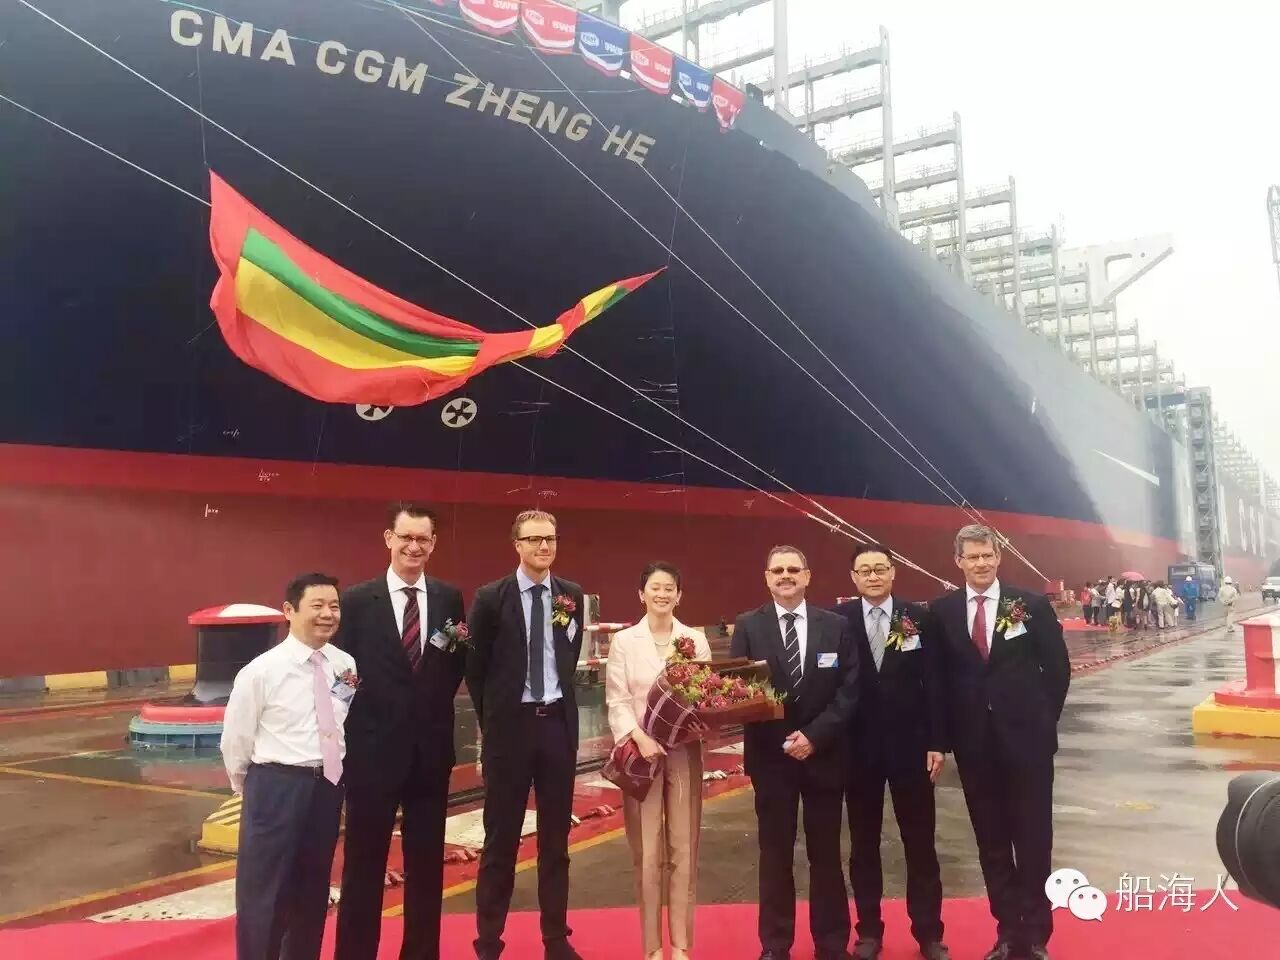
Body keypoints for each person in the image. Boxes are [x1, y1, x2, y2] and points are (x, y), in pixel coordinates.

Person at [930, 526, 1070, 960]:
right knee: (991, 842)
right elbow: (937, 681)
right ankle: (1007, 933)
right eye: (972, 557)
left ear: (998, 556)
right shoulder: (942, 612)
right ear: (958, 561)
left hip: (1028, 744)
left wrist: (1042, 720)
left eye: (987, 555)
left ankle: (1036, 934)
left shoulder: (1027, 605)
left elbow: (1058, 669)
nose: (981, 564)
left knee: (1033, 839)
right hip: (975, 746)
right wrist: (942, 739)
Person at [334, 503, 467, 960]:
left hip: (430, 754)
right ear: (388, 538)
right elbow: (342, 675)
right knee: (363, 865)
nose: (414, 546)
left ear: (433, 543)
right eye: (405, 537)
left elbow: (452, 664)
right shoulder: (356, 601)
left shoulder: (449, 599)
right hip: (371, 755)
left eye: (422, 539)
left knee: (427, 866)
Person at [467, 510, 586, 960]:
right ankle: (488, 942)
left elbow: (568, 654)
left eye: (550, 538)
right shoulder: (490, 598)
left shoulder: (570, 595)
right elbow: (475, 669)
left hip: (557, 726)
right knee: (501, 840)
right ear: (516, 544)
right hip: (510, 731)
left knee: (556, 842)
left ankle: (555, 939)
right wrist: (495, 722)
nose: (543, 546)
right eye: (534, 539)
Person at [732, 545, 860, 960]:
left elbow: (849, 690)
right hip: (771, 759)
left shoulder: (836, 626)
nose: (785, 576)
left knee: (827, 855)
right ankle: (774, 945)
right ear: (767, 578)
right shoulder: (748, 625)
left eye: (793, 569)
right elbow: (740, 691)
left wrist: (814, 736)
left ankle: (831, 943)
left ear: (807, 576)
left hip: (824, 755)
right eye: (777, 570)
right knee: (774, 855)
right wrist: (784, 738)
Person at [221, 573, 354, 960]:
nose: (328, 614)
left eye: (334, 606)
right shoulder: (261, 671)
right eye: (317, 606)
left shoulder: (345, 665)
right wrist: (252, 787)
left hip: (326, 787)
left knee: (312, 891)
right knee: (265, 893)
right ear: (289, 611)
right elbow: (236, 740)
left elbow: (341, 716)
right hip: (276, 785)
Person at [834, 545, 949, 960]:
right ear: (853, 577)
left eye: (880, 568)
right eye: (864, 570)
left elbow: (935, 682)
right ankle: (868, 931)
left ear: (893, 572)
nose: (873, 576)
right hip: (858, 750)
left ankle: (929, 933)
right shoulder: (839, 620)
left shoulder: (917, 617)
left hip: (911, 749)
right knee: (863, 845)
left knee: (920, 843)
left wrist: (938, 742)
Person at [605, 562, 712, 960]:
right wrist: (639, 737)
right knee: (647, 853)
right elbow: (616, 700)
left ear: (679, 595)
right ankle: (652, 947)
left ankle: (681, 945)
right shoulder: (624, 642)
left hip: (683, 752)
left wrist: (693, 726)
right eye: (655, 587)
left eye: (669, 588)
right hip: (640, 756)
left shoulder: (694, 640)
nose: (662, 594)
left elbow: (703, 695)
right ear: (641, 594)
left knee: (684, 848)